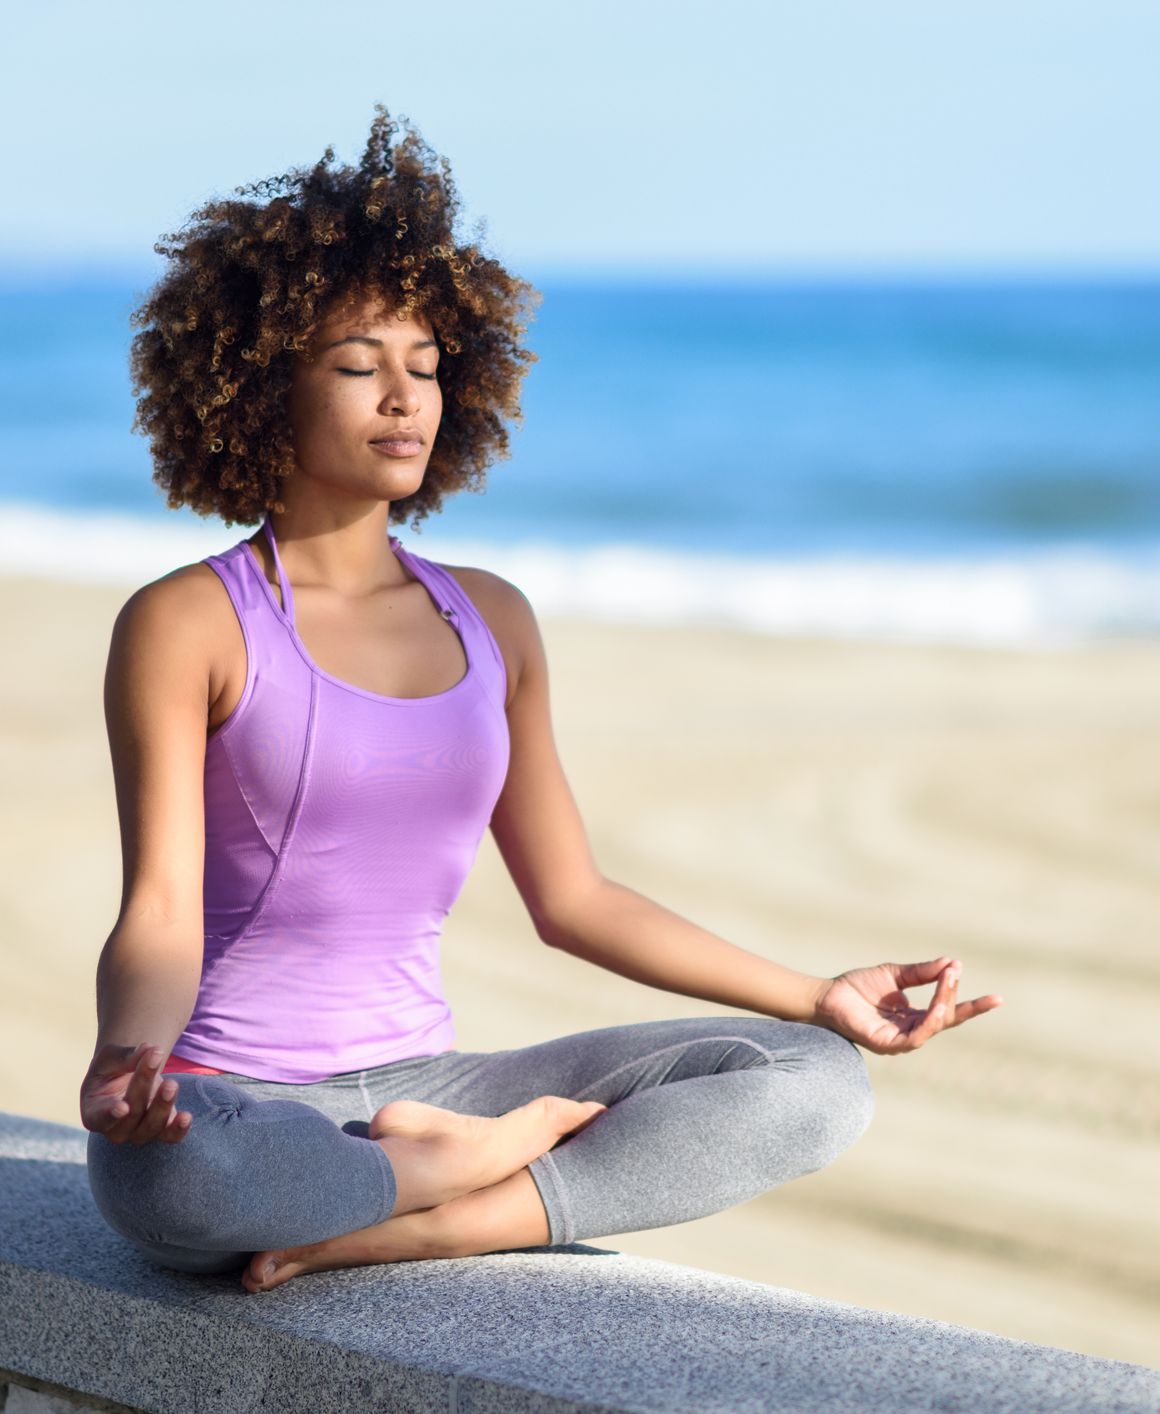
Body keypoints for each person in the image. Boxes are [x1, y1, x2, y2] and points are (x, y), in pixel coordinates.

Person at [81, 106, 1004, 1296]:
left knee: (815, 1080)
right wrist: (128, 1062)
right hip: (245, 1103)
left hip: (431, 1083)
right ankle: (449, 1174)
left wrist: (818, 994)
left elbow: (571, 899)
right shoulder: (189, 620)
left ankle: (434, 1209)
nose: (405, 398)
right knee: (169, 1189)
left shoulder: (492, 618)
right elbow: (159, 906)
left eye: (424, 368)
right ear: (263, 390)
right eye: (360, 367)